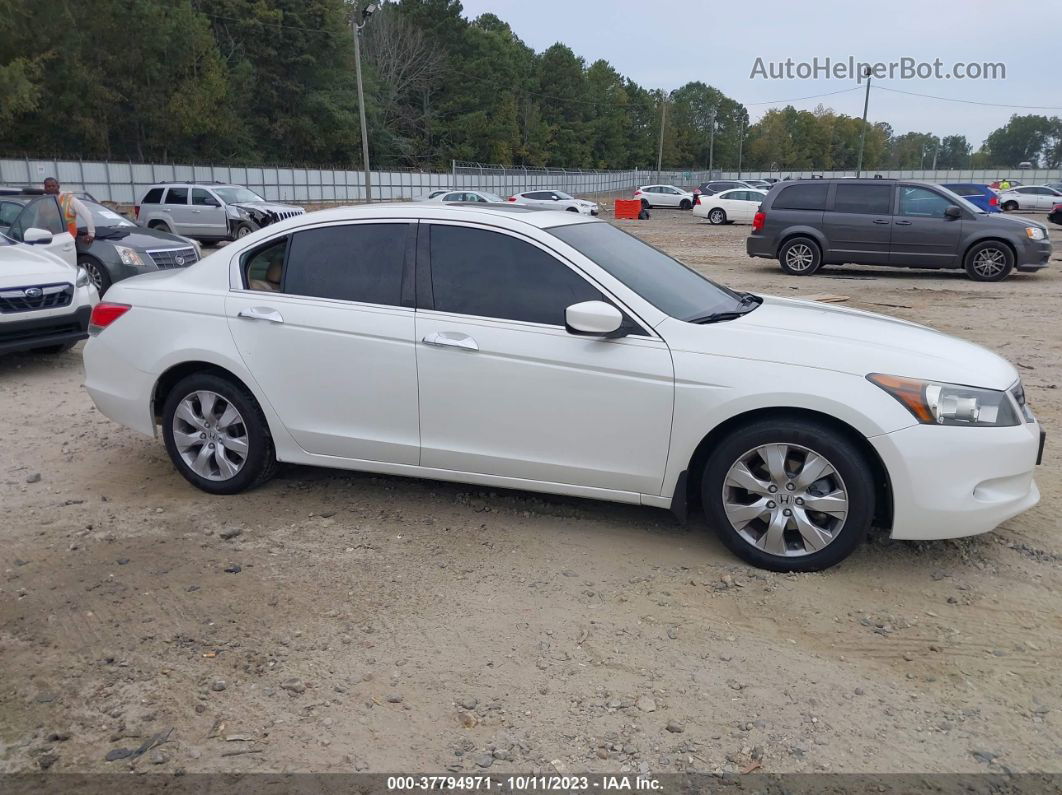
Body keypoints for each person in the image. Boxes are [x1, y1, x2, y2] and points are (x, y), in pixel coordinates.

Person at [43, 177, 94, 243]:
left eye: (53, 186)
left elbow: (86, 213)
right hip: (50, 240)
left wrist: (91, 234)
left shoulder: (69, 200)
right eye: (48, 186)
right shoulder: (43, 201)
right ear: (45, 188)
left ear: (58, 186)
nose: (51, 188)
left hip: (68, 240)